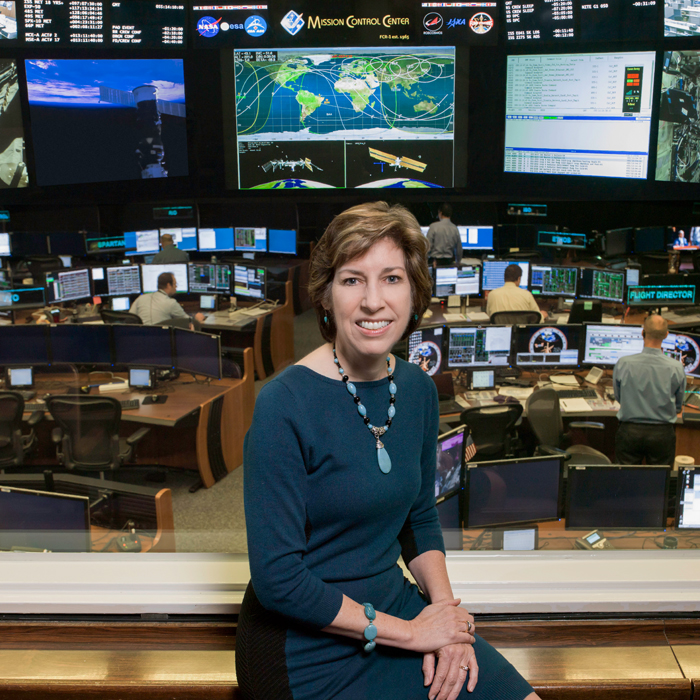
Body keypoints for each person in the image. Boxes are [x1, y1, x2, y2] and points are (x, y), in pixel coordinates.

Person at [237, 202, 538, 700]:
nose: (374, 301)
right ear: (327, 296)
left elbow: (418, 516)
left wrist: (446, 617)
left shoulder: (417, 388)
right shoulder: (283, 404)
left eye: (392, 278)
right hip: (304, 641)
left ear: (414, 291)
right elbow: (279, 580)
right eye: (353, 280)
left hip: (394, 603)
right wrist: (416, 634)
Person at [613, 314, 686, 466]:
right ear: (666, 335)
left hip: (629, 432)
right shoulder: (676, 368)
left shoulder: (623, 364)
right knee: (660, 483)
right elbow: (678, 406)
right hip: (662, 435)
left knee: (626, 481)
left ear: (642, 333)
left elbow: (619, 397)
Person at [130, 272, 205, 328]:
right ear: (169, 285)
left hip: (141, 340)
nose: (176, 287)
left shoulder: (140, 298)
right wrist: (197, 319)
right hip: (162, 340)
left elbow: (129, 319)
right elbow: (188, 322)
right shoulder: (171, 303)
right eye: (175, 284)